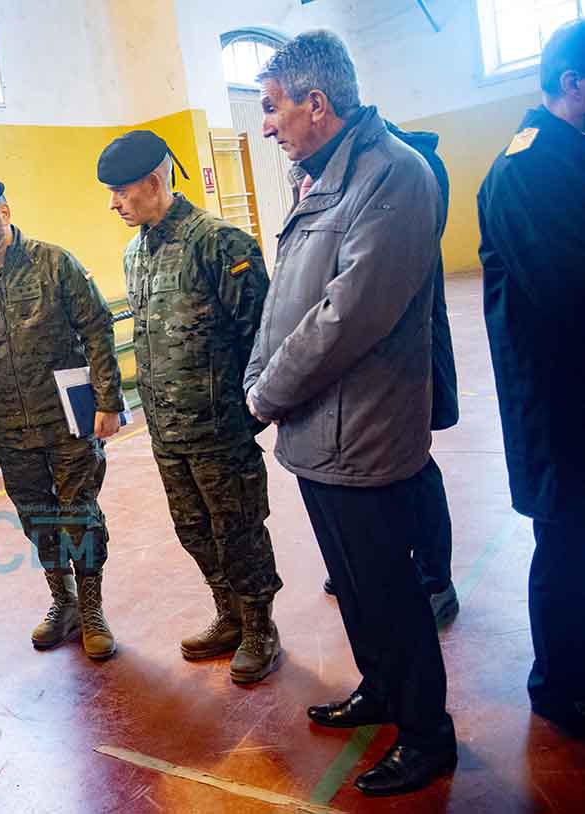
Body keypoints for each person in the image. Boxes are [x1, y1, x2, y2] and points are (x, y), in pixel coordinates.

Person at [244, 30, 457, 795]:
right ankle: (381, 690)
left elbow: (346, 314)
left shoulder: (391, 174)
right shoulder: (320, 175)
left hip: (363, 430)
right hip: (317, 428)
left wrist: (266, 392)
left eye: (272, 107)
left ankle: (427, 734)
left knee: (389, 590)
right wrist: (260, 373)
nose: (265, 124)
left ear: (315, 103)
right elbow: (287, 295)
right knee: (353, 583)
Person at [97, 130, 282, 684]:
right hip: (167, 431)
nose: (113, 204)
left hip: (220, 429)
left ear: (155, 182)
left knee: (239, 529)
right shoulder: (135, 254)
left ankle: (260, 628)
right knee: (193, 529)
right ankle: (229, 615)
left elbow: (261, 333)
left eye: (121, 192)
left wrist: (247, 414)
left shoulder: (221, 243)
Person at [0, 178, 124, 659]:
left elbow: (97, 327)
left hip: (68, 418)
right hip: (11, 426)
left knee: (79, 514)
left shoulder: (54, 263)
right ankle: (63, 602)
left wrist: (107, 400)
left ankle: (92, 609)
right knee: (37, 518)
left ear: (3, 211)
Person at [477, 18, 585, 740]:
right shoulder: (527, 168)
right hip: (555, 398)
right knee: (566, 540)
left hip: (571, 389)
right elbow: (565, 288)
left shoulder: (564, 155)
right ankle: (559, 687)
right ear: (572, 83)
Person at [323, 121, 461, 627]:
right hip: (363, 363)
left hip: (404, 358)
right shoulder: (343, 173)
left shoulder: (406, 169)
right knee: (375, 471)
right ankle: (386, 565)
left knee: (414, 466)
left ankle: (435, 580)